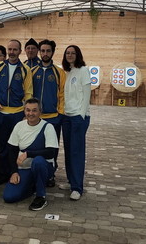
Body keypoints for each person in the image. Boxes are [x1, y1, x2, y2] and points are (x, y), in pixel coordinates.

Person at [0, 39, 33, 184]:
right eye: (10, 49)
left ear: (20, 51)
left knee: (16, 145)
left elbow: (28, 92)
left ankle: (15, 172)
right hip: (2, 113)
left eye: (15, 50)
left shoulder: (25, 69)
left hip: (18, 113)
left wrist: (26, 113)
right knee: (2, 145)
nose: (12, 52)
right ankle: (2, 174)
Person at [3, 98, 58, 211]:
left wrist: (28, 154)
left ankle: (40, 196)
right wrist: (14, 172)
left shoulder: (48, 127)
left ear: (40, 112)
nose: (30, 113)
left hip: (44, 167)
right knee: (9, 197)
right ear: (24, 111)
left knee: (38, 161)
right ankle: (32, 185)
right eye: (28, 110)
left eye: (34, 110)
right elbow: (12, 151)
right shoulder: (19, 126)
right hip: (24, 168)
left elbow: (51, 152)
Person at [31, 39, 66, 186]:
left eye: (48, 51)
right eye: (43, 51)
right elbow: (28, 93)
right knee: (35, 146)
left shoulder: (59, 72)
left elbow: (62, 94)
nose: (45, 54)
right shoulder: (32, 72)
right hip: (35, 117)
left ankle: (50, 174)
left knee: (51, 148)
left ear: (53, 52)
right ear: (39, 52)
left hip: (53, 117)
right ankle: (35, 172)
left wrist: (60, 114)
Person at [61, 45, 91, 201]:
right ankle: (70, 180)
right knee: (68, 150)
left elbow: (87, 94)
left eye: (73, 53)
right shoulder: (68, 72)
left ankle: (77, 187)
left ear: (78, 55)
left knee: (76, 152)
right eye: (67, 53)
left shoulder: (83, 71)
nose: (70, 55)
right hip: (67, 116)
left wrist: (81, 115)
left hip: (78, 117)